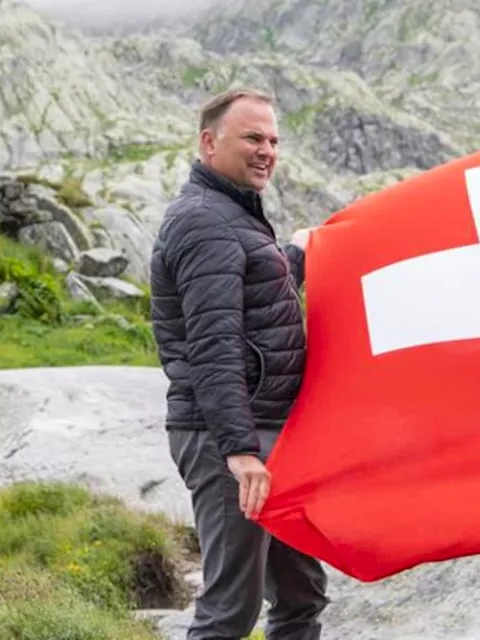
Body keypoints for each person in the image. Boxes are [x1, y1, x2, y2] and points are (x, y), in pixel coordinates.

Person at [149, 87, 328, 639]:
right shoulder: (205, 222)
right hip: (232, 442)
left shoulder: (234, 217)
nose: (266, 150)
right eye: (252, 137)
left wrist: (293, 256)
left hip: (271, 434)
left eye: (273, 139)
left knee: (300, 595)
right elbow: (214, 343)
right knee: (231, 610)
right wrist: (240, 451)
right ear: (209, 142)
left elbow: (253, 303)